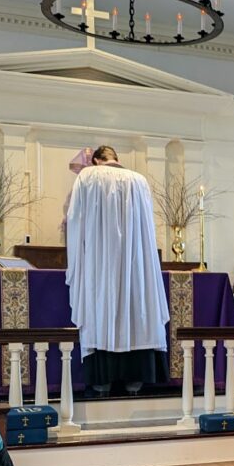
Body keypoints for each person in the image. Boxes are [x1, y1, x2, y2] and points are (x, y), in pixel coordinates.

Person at [65, 145, 169, 397]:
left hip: (100, 261)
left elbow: (75, 220)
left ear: (96, 160)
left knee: (102, 307)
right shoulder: (139, 180)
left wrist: (76, 261)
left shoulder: (87, 177)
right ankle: (135, 381)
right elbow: (147, 230)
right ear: (116, 159)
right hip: (135, 261)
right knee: (136, 310)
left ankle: (103, 381)